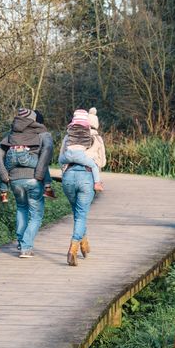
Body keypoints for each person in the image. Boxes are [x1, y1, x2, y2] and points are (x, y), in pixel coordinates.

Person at [0, 108, 54, 258]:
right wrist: (41, 174)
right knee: (36, 215)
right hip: (34, 178)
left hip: (15, 180)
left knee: (21, 209)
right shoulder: (42, 134)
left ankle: (21, 243)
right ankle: (26, 247)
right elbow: (47, 151)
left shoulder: (13, 135)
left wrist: (3, 173)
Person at [60, 108, 107, 266]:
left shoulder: (68, 137)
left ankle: (84, 244)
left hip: (68, 177)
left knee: (78, 213)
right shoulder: (97, 138)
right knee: (81, 214)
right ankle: (73, 248)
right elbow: (102, 162)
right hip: (86, 177)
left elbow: (61, 158)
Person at [0, 109, 56, 202]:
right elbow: (47, 150)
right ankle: (48, 188)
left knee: (4, 173)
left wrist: (3, 172)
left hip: (11, 156)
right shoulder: (37, 130)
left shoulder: (13, 131)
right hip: (24, 156)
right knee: (43, 164)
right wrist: (39, 174)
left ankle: (3, 193)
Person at [58, 109, 104, 191]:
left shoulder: (70, 131)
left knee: (60, 160)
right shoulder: (93, 135)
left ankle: (64, 176)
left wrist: (63, 166)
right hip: (81, 157)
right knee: (93, 166)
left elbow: (63, 150)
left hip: (68, 156)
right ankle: (97, 183)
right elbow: (101, 157)